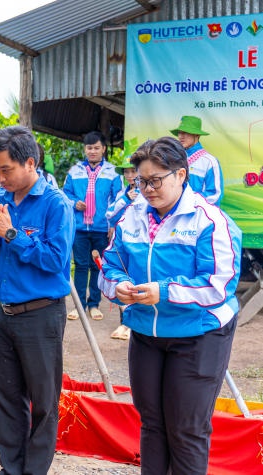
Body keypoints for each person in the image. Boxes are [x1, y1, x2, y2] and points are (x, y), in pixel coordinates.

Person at [98, 137, 241, 475]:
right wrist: (118, 286)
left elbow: (218, 285)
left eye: (155, 180)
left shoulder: (209, 220)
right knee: (152, 423)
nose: (147, 189)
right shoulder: (130, 218)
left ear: (181, 174)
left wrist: (164, 291)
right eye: (141, 181)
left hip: (200, 334)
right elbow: (109, 267)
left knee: (186, 428)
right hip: (147, 333)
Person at [0, 126, 74, 475]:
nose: (0, 178)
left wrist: (11, 234)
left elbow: (55, 261)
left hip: (41, 315)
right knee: (6, 399)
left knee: (43, 402)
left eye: (7, 170)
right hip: (5, 312)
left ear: (30, 162)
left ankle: (34, 470)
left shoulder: (54, 204)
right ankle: (11, 468)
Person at [63, 131, 122, 321]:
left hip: (101, 227)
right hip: (79, 227)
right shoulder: (74, 171)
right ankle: (79, 305)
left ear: (103, 149)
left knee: (97, 266)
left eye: (96, 148)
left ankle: (94, 304)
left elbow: (117, 199)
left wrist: (112, 223)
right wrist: (74, 203)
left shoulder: (113, 172)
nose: (93, 151)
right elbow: (65, 194)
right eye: (89, 148)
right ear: (84, 149)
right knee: (80, 265)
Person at [105, 160, 140, 340]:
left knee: (139, 280)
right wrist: (127, 199)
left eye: (133, 171)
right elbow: (110, 214)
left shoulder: (147, 192)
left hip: (140, 243)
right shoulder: (123, 192)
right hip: (122, 242)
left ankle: (133, 325)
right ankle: (123, 323)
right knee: (122, 279)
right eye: (126, 172)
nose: (129, 175)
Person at [169, 115, 223, 206]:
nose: (181, 136)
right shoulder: (175, 159)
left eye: (185, 132)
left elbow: (215, 195)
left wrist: (188, 200)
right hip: (175, 213)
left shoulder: (209, 161)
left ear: (196, 135)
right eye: (179, 132)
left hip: (199, 214)